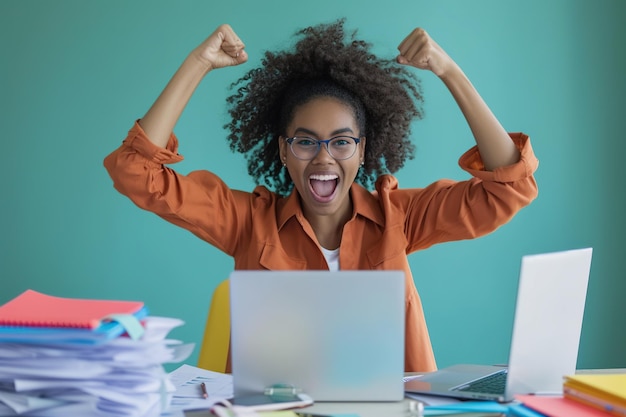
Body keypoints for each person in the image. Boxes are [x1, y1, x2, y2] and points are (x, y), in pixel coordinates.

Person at [104, 19, 539, 373]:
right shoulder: (247, 223)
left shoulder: (399, 217)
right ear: (283, 150)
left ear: (363, 149)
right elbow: (136, 173)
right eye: (306, 141)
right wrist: (197, 63)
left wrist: (449, 72)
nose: (324, 158)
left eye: (342, 141)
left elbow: (510, 188)